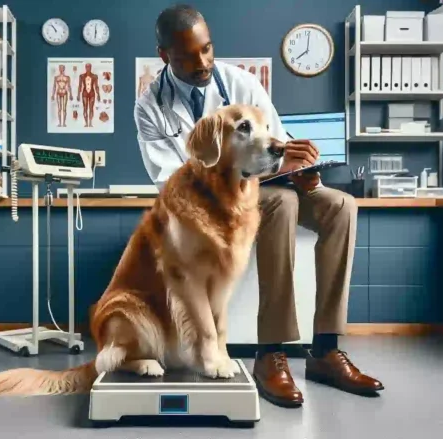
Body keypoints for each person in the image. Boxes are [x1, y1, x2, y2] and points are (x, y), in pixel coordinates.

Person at [133, 4, 384, 407]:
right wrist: (258, 174)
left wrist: (301, 166)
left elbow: (276, 145)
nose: (203, 63)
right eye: (189, 55)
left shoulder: (240, 82)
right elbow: (173, 181)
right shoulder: (150, 107)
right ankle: (270, 353)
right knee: (280, 203)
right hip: (209, 206)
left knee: (341, 206)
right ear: (164, 55)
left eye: (208, 49)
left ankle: (325, 348)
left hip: (264, 183)